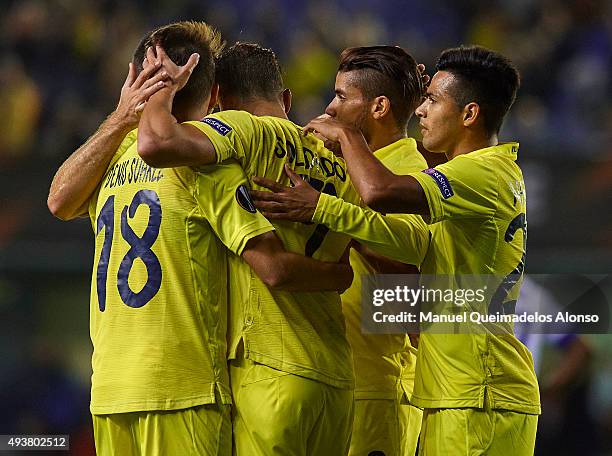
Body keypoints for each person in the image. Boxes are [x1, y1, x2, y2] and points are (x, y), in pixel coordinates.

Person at [47, 22, 352, 456]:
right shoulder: (210, 166)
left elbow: (58, 200)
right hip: (184, 389)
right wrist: (339, 273)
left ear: (133, 82)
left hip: (113, 388)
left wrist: (121, 117)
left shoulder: (111, 155)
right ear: (214, 98)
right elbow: (273, 265)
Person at [261, 45, 542, 454]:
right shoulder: (477, 176)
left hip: (480, 393)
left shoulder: (479, 171)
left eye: (433, 100)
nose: (422, 111)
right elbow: (408, 241)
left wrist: (346, 138)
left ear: (469, 115)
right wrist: (323, 208)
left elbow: (379, 193)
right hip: (456, 391)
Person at [251, 45, 429, 456]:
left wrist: (326, 211)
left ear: (379, 107)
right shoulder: (342, 161)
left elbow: (411, 268)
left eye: (342, 97)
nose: (329, 109)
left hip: (376, 389)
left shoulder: (407, 172)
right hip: (328, 376)